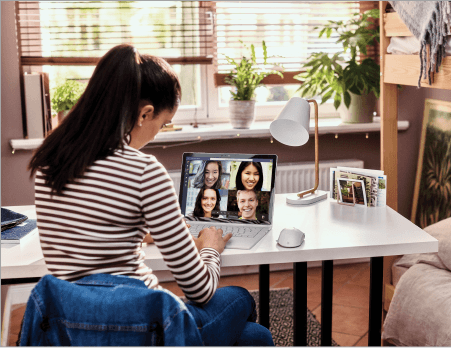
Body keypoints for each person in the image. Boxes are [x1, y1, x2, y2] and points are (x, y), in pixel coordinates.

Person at [27, 44, 273, 346]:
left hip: (75, 327)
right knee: (240, 299)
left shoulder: (49, 161)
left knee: (254, 337)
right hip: (140, 329)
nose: (159, 132)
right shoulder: (143, 169)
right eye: (163, 123)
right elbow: (200, 289)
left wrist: (145, 231)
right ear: (145, 114)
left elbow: (91, 232)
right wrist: (210, 248)